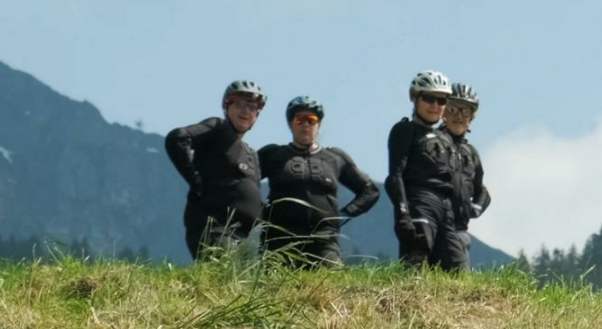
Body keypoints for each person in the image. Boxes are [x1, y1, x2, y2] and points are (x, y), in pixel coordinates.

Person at [257, 96, 381, 268]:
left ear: (319, 124)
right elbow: (244, 181)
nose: (306, 124)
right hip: (278, 239)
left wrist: (344, 214)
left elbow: (370, 190)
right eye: (300, 119)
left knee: (331, 285)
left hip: (324, 242)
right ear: (290, 123)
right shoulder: (273, 155)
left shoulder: (335, 158)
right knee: (272, 285)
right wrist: (260, 210)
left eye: (311, 119)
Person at [385, 73, 491, 272]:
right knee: (415, 264)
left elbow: (479, 189)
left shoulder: (453, 145)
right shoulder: (406, 130)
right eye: (429, 98)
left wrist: (471, 209)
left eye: (441, 100)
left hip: (449, 217)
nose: (435, 105)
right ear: (415, 98)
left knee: (458, 274)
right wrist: (403, 214)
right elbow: (395, 177)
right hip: (421, 204)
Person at [164, 80, 267, 260]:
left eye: (252, 107)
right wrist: (193, 178)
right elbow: (178, 138)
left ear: (257, 115)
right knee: (224, 272)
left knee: (243, 278)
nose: (246, 110)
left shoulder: (251, 154)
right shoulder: (218, 128)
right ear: (226, 105)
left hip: (245, 239)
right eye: (240, 103)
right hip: (215, 228)